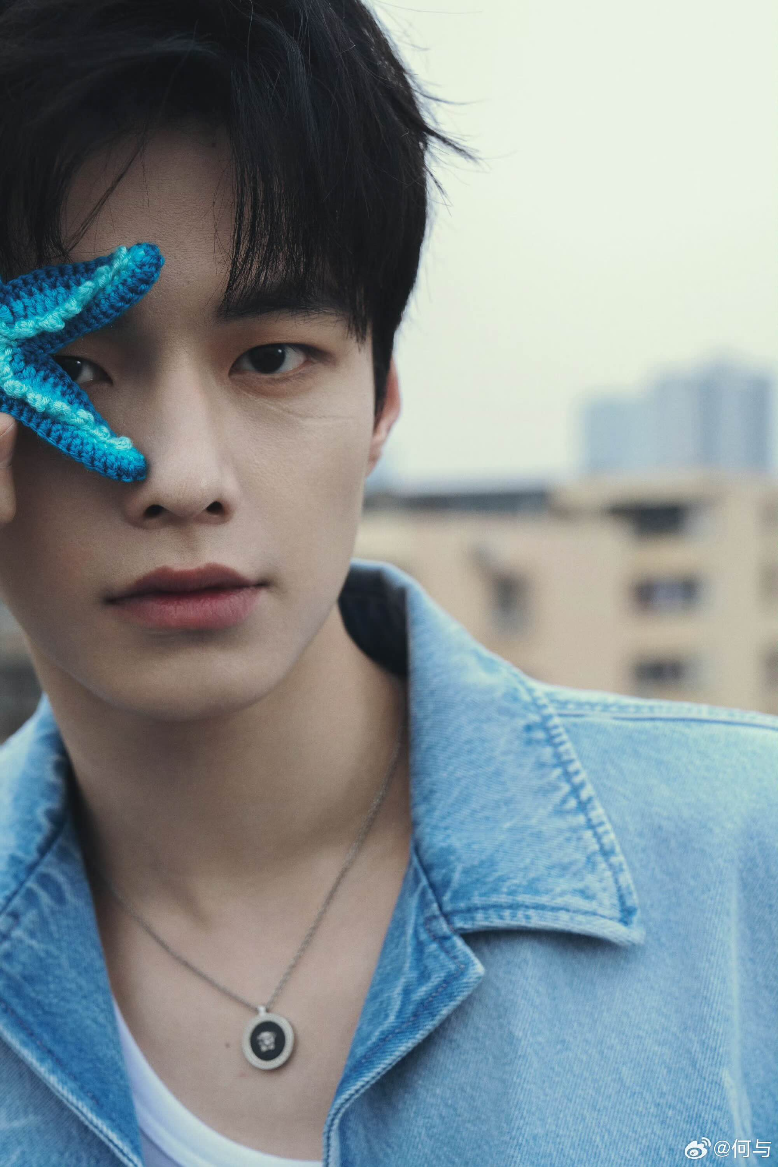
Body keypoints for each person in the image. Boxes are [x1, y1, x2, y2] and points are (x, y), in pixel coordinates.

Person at [0, 2, 775, 1165]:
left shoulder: (744, 857)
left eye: (271, 358)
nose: (184, 477)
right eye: (72, 367)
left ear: (380, 405)